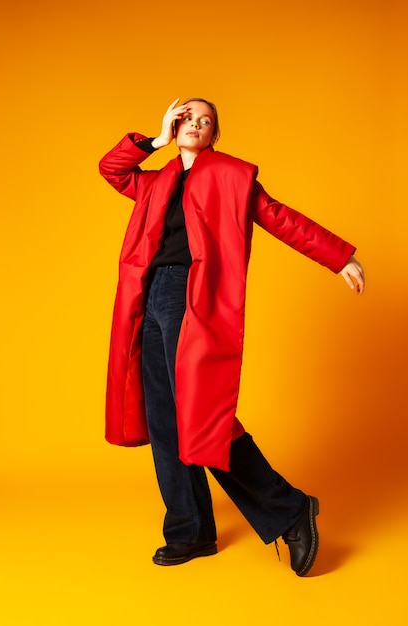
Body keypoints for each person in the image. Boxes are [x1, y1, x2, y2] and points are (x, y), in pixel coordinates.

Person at [99, 98, 365, 576]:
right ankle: (190, 531)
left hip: (189, 295)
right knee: (164, 420)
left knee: (200, 416)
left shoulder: (231, 177)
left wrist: (339, 257)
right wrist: (156, 139)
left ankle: (288, 509)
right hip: (147, 296)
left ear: (215, 136)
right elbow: (111, 168)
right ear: (175, 124)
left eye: (206, 122)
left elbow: (280, 217)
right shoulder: (155, 180)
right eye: (187, 118)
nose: (195, 125)